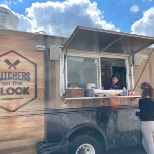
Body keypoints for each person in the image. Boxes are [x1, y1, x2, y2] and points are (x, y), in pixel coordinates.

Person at [135, 82, 154, 154]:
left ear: (143, 90)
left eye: (141, 89)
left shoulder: (142, 101)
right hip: (152, 123)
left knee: (150, 145)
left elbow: (145, 115)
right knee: (144, 142)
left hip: (146, 124)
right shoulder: (152, 100)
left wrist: (137, 113)